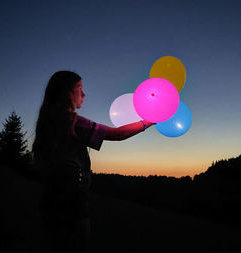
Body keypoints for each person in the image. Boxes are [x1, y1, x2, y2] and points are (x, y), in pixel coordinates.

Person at [32, 71, 155, 253]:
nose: (84, 94)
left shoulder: (46, 121)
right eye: (79, 89)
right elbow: (117, 134)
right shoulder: (73, 123)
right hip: (72, 196)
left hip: (50, 195)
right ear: (67, 93)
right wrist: (148, 122)